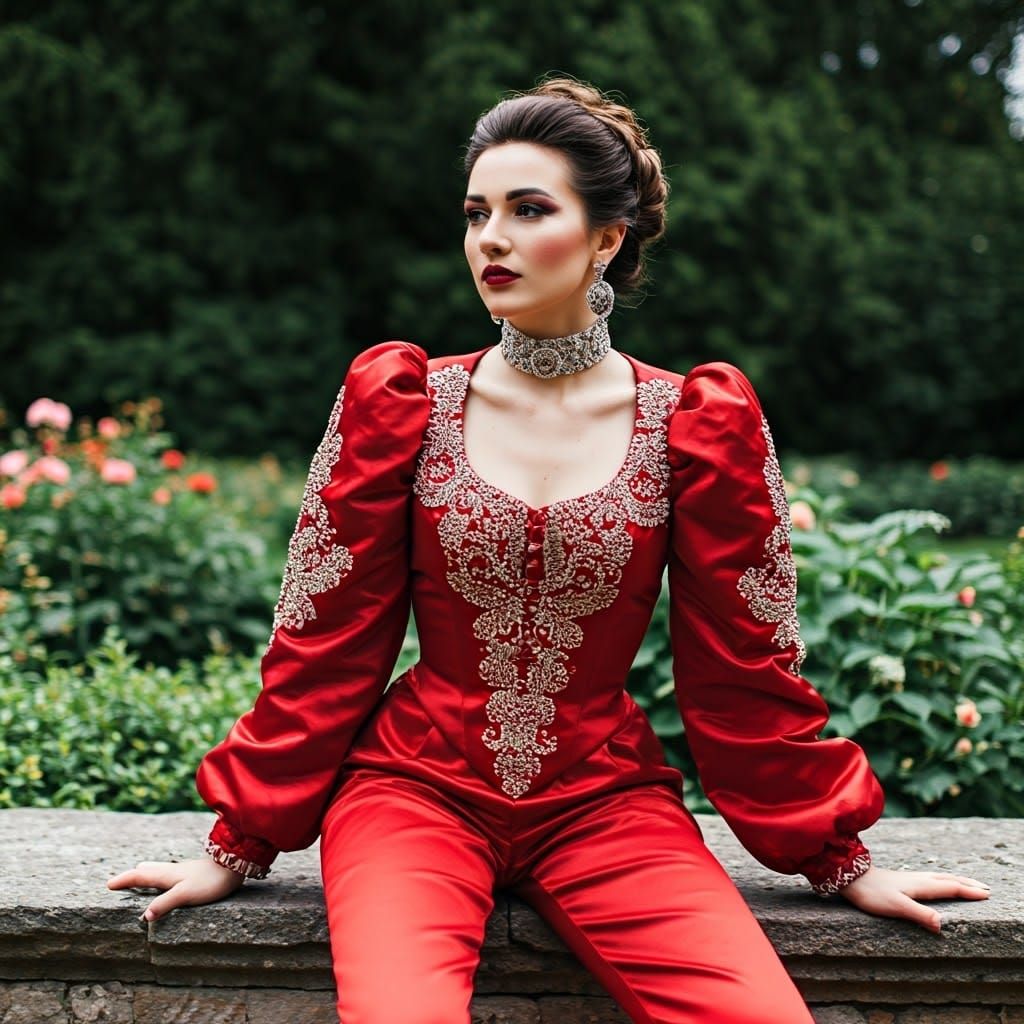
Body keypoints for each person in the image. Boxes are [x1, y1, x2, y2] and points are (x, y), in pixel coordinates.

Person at [107, 76, 992, 1023]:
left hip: (605, 801)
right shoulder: (404, 401)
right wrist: (238, 843)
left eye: (530, 210)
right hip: (412, 793)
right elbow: (325, 635)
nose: (492, 237)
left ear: (607, 238)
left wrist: (835, 859)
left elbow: (745, 659)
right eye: (477, 212)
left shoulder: (690, 421)